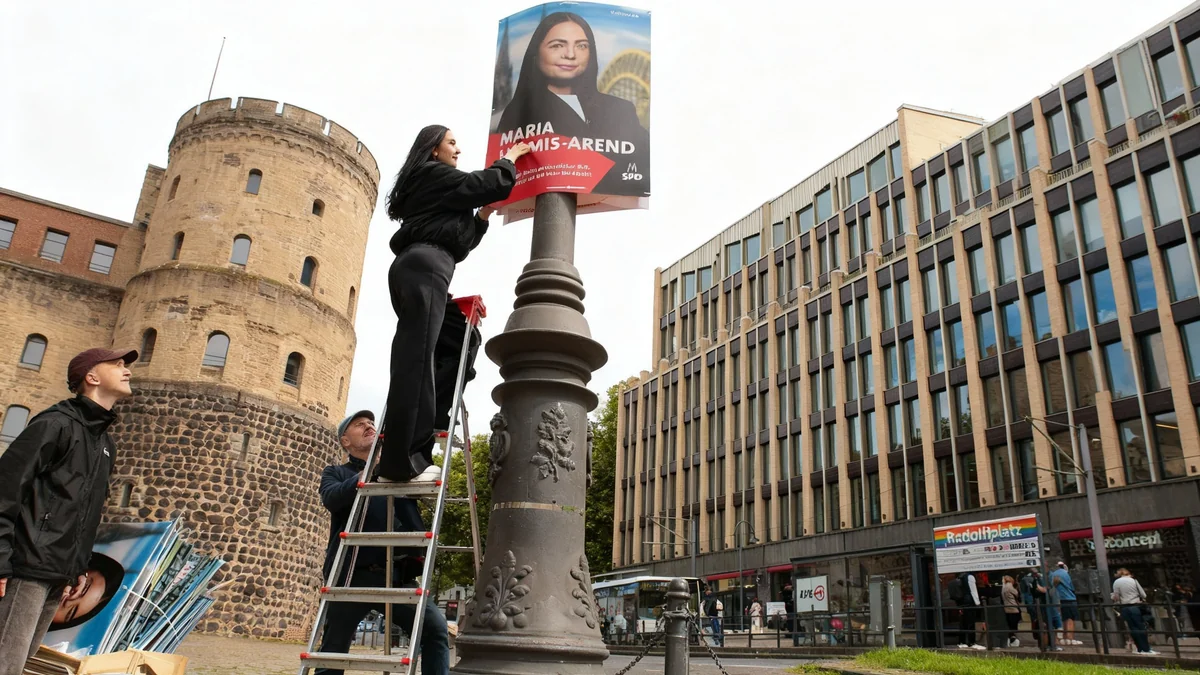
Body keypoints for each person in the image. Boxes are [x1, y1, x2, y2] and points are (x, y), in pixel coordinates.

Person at [378, 126, 531, 482]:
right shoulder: (431, 174)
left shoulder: (436, 190)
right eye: (451, 142)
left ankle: (429, 423)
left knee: (460, 337)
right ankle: (401, 463)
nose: (457, 149)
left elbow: (459, 242)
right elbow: (487, 183)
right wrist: (509, 159)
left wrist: (484, 215)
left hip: (428, 267)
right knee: (416, 356)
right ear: (434, 150)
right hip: (424, 268)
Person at [0, 347, 135, 674]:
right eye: (117, 365)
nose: (127, 370)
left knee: (21, 657)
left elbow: (84, 512)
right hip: (26, 567)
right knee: (7, 661)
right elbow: (5, 489)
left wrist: (78, 568)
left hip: (59, 574)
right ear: (91, 377)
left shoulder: (105, 445)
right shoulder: (54, 425)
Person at [314, 410, 449, 674]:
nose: (368, 426)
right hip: (352, 576)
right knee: (332, 652)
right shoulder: (336, 472)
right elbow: (331, 499)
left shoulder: (399, 473)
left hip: (397, 575)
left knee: (434, 630)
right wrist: (369, 472)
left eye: (371, 424)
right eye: (359, 425)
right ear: (345, 441)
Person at [495, 11, 650, 197]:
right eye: (557, 45)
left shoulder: (621, 109)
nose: (570, 54)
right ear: (535, 53)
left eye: (581, 46)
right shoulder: (518, 114)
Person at [1112, 568, 1157, 655]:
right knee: (1140, 627)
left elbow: (1116, 597)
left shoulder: (1116, 582)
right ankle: (1146, 649)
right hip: (1135, 606)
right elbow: (1143, 594)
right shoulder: (1133, 581)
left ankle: (1139, 648)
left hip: (1124, 607)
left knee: (1132, 628)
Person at [1050, 561, 1081, 645]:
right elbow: (1072, 586)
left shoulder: (1053, 574)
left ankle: (1065, 638)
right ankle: (1070, 638)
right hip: (1070, 598)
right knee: (1071, 619)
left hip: (1060, 599)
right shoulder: (1066, 574)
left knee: (1064, 619)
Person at [953, 572, 985, 650]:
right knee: (970, 622)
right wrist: (978, 603)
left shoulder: (959, 577)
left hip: (962, 602)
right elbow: (973, 591)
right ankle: (971, 642)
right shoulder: (970, 577)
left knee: (963, 622)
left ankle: (962, 642)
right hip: (969, 602)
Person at [1002, 575, 1021, 648]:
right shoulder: (1010, 587)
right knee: (1014, 626)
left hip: (1007, 609)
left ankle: (1009, 639)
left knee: (1010, 625)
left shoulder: (1003, 588)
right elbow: (1016, 594)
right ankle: (1013, 640)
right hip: (1014, 608)